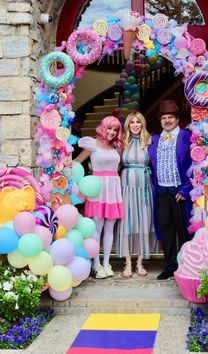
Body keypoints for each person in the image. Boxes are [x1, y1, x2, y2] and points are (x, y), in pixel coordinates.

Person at [74, 116, 123, 279]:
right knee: (97, 227)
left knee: (110, 228)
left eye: (115, 129)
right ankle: (96, 264)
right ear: (103, 128)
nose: (111, 132)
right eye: (109, 128)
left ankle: (106, 263)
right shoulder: (92, 144)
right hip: (97, 189)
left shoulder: (117, 146)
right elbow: (76, 162)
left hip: (113, 188)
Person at [148, 100, 192, 280]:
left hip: (179, 192)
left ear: (177, 119)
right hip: (161, 192)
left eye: (170, 117)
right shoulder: (154, 140)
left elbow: (194, 165)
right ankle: (169, 265)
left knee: (183, 231)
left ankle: (186, 265)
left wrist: (186, 190)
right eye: (163, 118)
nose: (166, 121)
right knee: (165, 230)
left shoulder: (187, 137)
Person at [116, 111, 157, 278]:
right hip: (126, 186)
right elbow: (115, 163)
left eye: (138, 122)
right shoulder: (122, 142)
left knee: (143, 221)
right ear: (127, 125)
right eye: (132, 122)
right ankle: (127, 263)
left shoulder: (149, 141)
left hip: (144, 186)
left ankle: (140, 263)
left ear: (142, 124)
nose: (135, 125)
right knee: (127, 222)